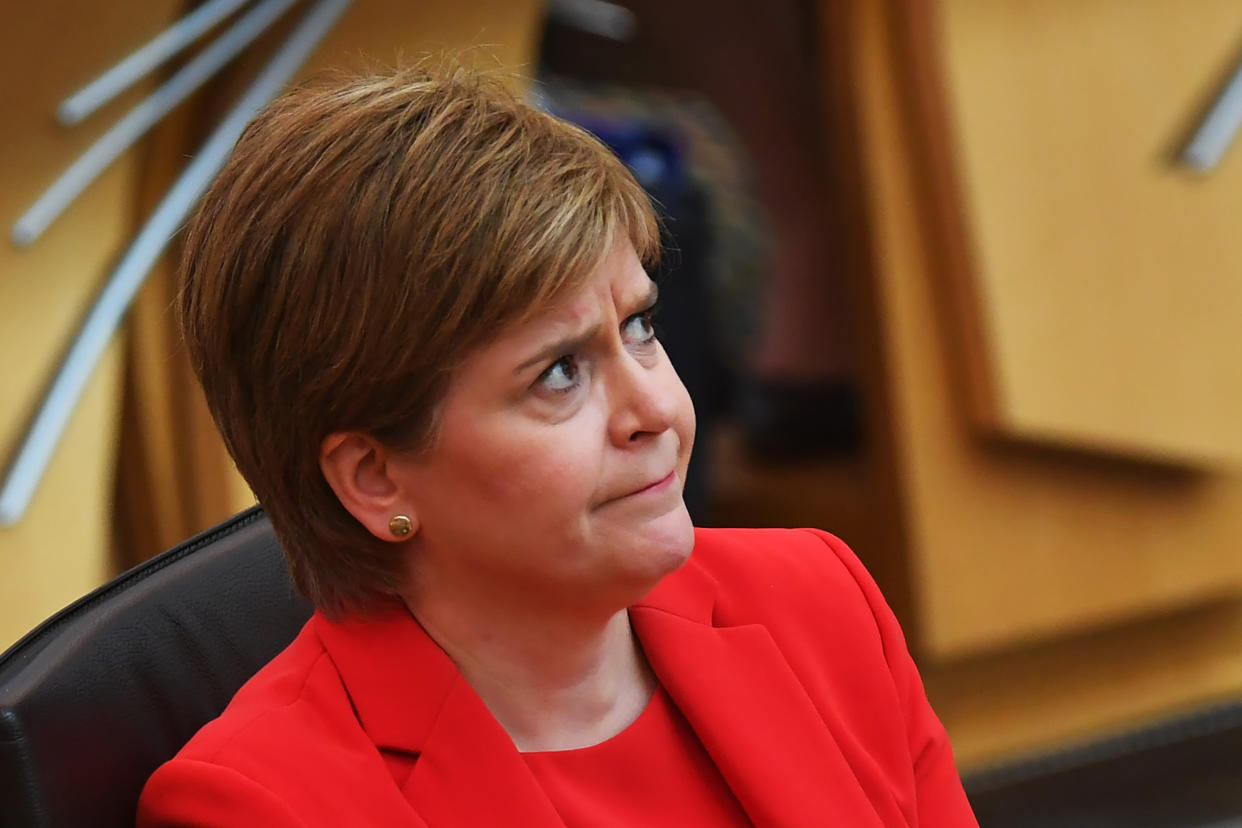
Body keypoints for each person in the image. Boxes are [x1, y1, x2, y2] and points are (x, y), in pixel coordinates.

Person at [137, 64, 976, 826]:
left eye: (639, 326)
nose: (654, 407)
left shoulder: (820, 608)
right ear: (375, 477)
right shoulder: (260, 807)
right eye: (559, 374)